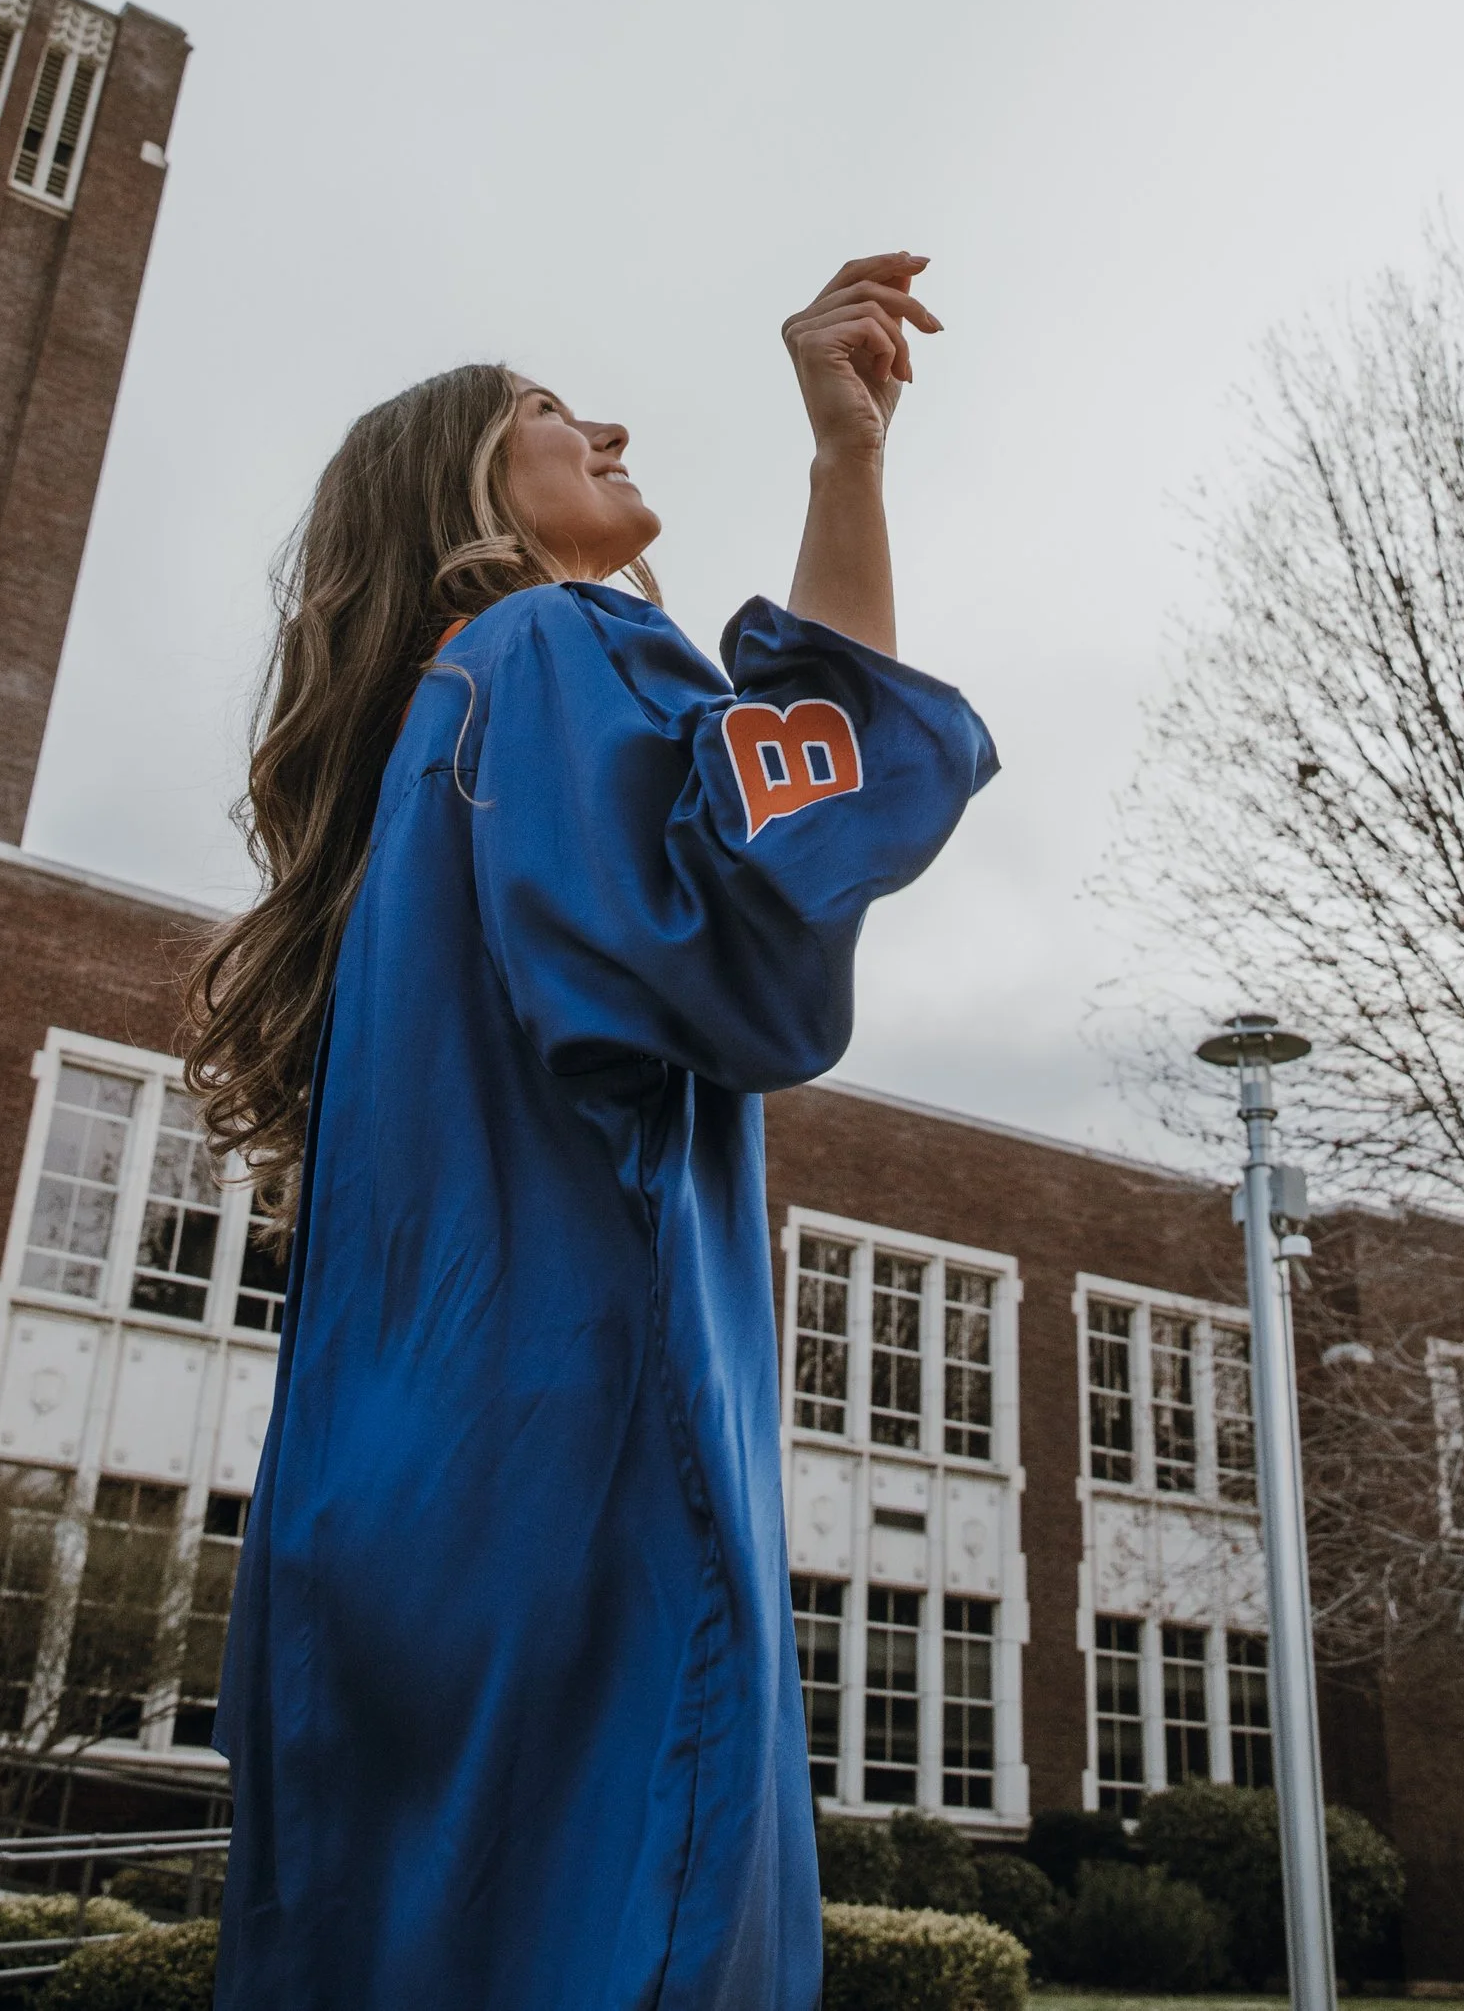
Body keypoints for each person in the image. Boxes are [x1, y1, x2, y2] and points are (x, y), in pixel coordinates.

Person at [190, 252, 998, 2011]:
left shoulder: (420, 772)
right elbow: (759, 904)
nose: (606, 426)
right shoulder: (550, 649)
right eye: (550, 412)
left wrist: (849, 463)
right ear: (468, 492)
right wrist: (844, 458)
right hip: (570, 1495)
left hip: (375, 1523)